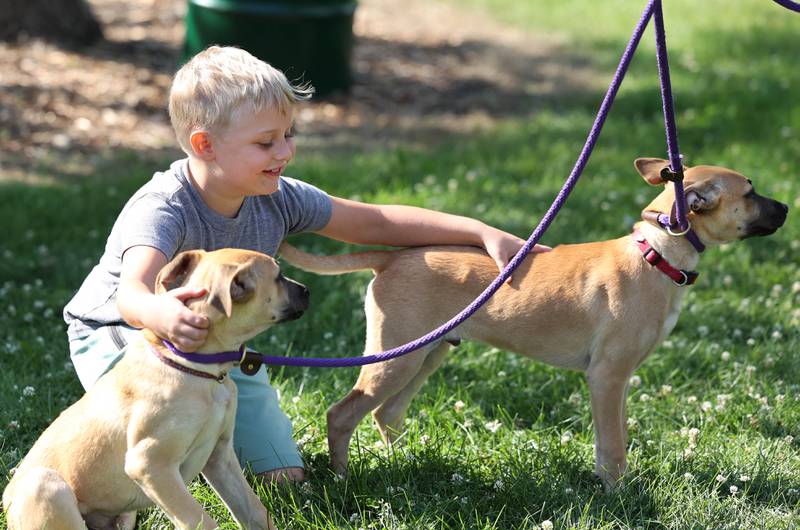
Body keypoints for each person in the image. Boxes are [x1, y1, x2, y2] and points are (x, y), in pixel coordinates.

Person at [63, 45, 551, 484]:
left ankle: (210, 442)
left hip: (220, 345)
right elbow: (133, 294)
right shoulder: (164, 207)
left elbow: (377, 224)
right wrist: (164, 316)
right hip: (124, 337)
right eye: (265, 142)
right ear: (204, 146)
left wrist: (480, 232)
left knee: (286, 477)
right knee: (165, 457)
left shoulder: (277, 197)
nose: (285, 151)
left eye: (288, 135)